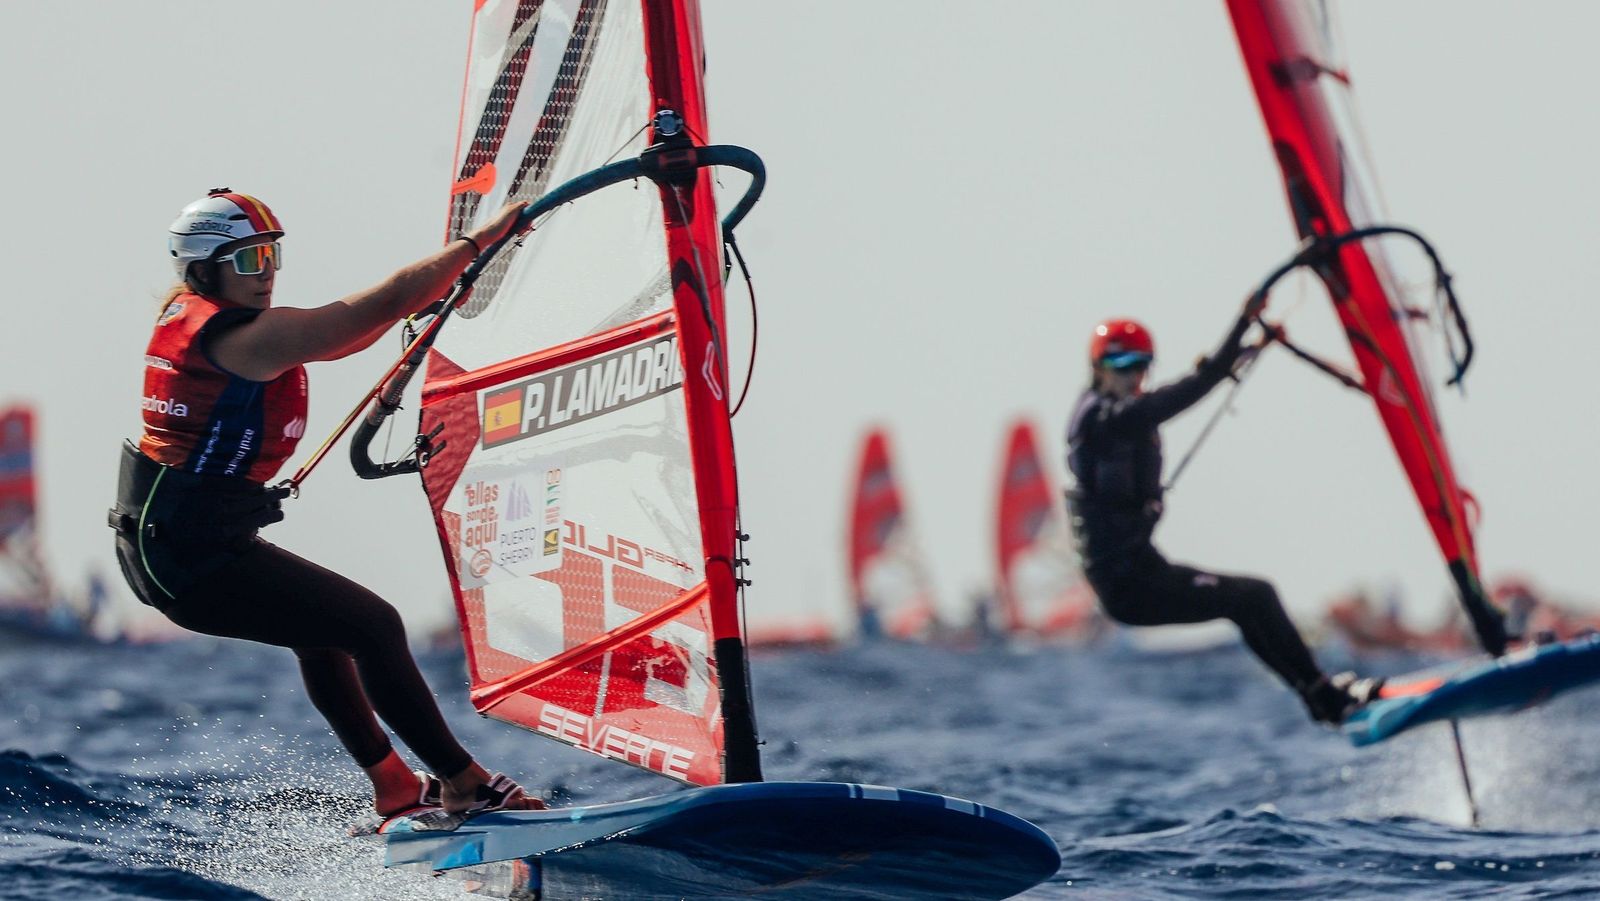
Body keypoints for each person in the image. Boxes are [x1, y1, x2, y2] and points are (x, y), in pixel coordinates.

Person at [109, 189, 542, 818]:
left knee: (326, 632)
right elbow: (375, 309)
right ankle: (463, 782)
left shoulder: (197, 320)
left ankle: (396, 787)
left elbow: (361, 328)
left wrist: (433, 291)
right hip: (189, 559)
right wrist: (481, 243)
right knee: (374, 626)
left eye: (271, 256)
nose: (266, 273)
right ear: (204, 268)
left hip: (174, 546)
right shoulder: (243, 339)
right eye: (249, 260)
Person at [1065, 307, 1381, 724]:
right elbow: (1188, 390)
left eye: (1141, 365)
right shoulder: (1103, 419)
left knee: (1250, 600)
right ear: (1097, 367)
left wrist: (1246, 351)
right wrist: (1243, 322)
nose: (1133, 376)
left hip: (1144, 571)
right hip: (1129, 587)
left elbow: (1195, 383)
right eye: (1121, 364)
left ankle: (1320, 695)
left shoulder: (1125, 414)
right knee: (1254, 597)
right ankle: (1323, 696)